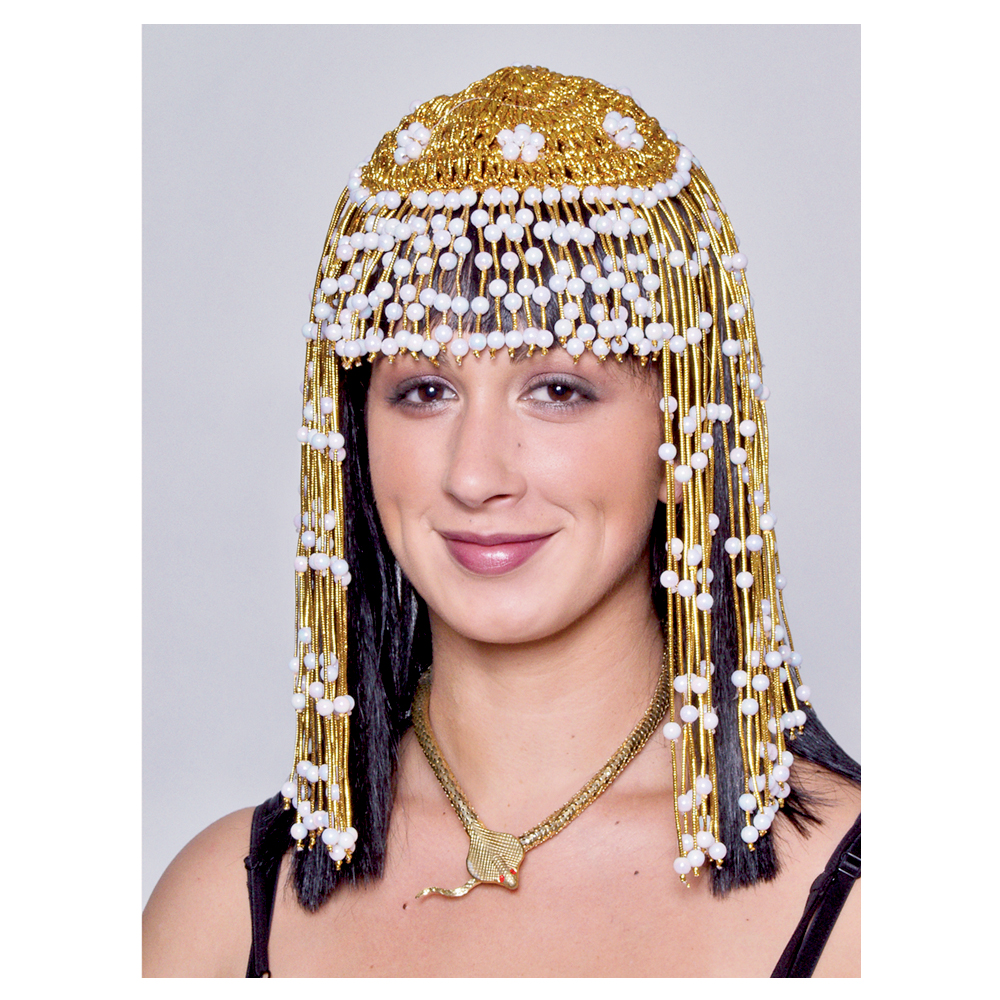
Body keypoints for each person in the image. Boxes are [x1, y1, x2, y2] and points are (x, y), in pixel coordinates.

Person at [142, 65, 860, 978]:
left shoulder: (874, 908)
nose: (475, 474)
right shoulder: (220, 911)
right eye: (424, 391)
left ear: (684, 438)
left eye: (557, 390)